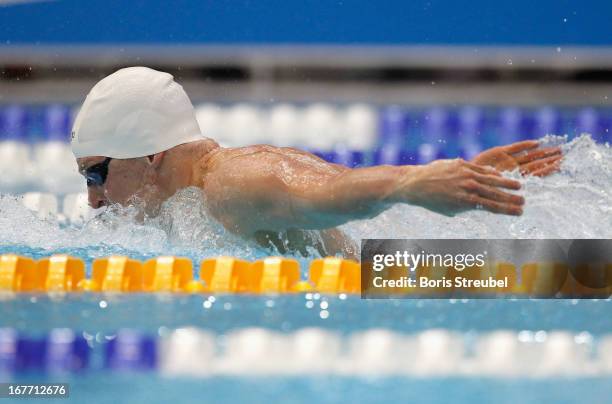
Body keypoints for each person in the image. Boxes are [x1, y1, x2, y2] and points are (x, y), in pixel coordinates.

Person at [71, 67, 562, 258]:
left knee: (581, 272)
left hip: (396, 279)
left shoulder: (231, 185)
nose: (93, 199)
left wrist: (412, 182)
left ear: (152, 154)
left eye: (97, 174)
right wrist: (456, 176)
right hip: (392, 269)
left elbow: (332, 195)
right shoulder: (209, 189)